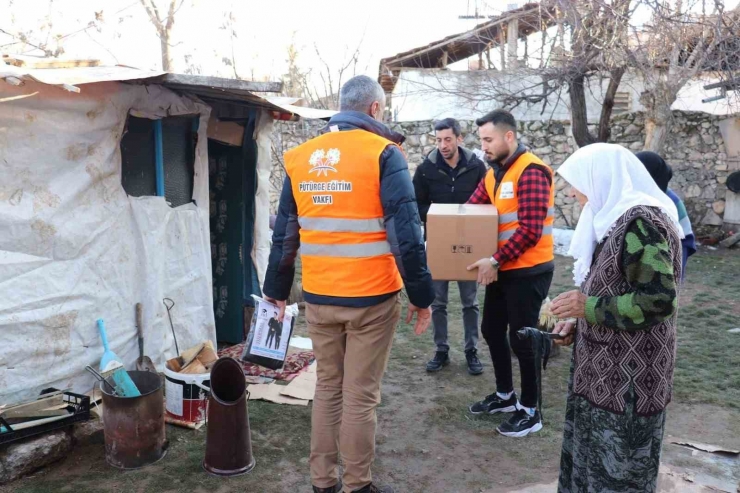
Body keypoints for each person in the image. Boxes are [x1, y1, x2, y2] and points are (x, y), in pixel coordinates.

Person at [263, 75, 435, 493]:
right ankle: (357, 485)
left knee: (328, 389)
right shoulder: (384, 153)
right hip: (371, 300)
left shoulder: (301, 157)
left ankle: (323, 482)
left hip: (320, 299)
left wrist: (276, 292)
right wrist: (422, 297)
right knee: (360, 396)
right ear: (375, 110)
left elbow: (286, 233)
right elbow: (407, 235)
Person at [550, 143, 683, 493]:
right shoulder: (614, 221)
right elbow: (613, 287)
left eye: (576, 182)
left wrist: (587, 308)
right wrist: (578, 323)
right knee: (591, 467)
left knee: (619, 474)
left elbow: (657, 300)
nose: (573, 192)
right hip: (602, 375)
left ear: (600, 179)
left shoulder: (643, 225)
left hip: (629, 384)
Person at [465, 109, 556, 437]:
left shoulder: (530, 171)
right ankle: (506, 395)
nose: (484, 147)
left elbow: (531, 229)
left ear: (509, 137)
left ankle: (531, 411)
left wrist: (495, 260)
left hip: (529, 270)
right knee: (491, 329)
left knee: (523, 338)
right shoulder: (493, 175)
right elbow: (470, 210)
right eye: (481, 141)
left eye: (488, 140)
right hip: (503, 268)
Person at [412, 117, 487, 375]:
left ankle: (471, 351)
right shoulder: (426, 169)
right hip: (439, 243)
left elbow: (488, 201)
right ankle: (441, 350)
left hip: (469, 244)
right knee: (439, 302)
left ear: (459, 139)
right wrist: (438, 215)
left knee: (470, 302)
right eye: (438, 140)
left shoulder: (477, 167)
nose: (442, 145)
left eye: (447, 139)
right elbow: (416, 204)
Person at [636, 151, 697, 280]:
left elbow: (683, 236)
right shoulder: (635, 195)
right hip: (651, 251)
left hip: (679, 245)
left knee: (668, 286)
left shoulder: (671, 200)